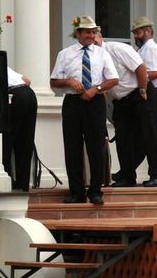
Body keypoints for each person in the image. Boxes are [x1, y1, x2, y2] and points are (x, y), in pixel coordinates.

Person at [50, 16, 118, 205]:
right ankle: (76, 192)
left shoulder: (102, 53)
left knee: (96, 147)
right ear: (78, 33)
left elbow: (113, 79)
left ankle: (96, 191)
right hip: (73, 101)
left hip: (95, 101)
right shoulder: (65, 54)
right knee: (72, 147)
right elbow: (54, 81)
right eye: (87, 32)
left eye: (93, 32)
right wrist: (68, 81)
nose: (91, 35)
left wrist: (95, 89)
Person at [94, 31, 157, 187]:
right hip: (120, 100)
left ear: (100, 37)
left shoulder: (117, 48)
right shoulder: (93, 58)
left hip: (139, 93)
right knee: (123, 137)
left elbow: (140, 68)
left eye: (94, 37)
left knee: (150, 134)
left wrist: (142, 90)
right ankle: (127, 176)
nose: (92, 43)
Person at [130, 17, 157, 159]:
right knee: (144, 133)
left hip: (153, 94)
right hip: (146, 93)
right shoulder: (143, 49)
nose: (135, 36)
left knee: (150, 133)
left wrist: (135, 79)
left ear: (148, 32)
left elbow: (155, 72)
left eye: (138, 32)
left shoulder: (151, 49)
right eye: (134, 33)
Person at [3, 67, 38, 192]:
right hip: (29, 94)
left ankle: (7, 181)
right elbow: (27, 81)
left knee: (6, 141)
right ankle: (23, 183)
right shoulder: (4, 65)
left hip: (13, 97)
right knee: (25, 142)